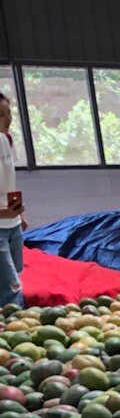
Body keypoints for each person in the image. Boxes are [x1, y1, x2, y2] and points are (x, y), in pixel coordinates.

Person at [0, 93, 22, 310]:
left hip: (12, 225)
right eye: (1, 115)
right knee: (11, 287)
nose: (8, 119)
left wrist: (19, 215)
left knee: (15, 275)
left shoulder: (7, 140)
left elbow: (11, 180)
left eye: (9, 113)